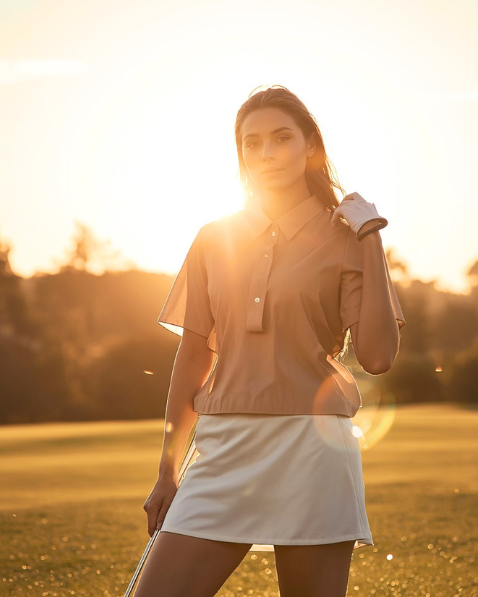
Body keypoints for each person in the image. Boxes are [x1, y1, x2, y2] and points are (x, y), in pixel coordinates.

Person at [135, 85, 406, 597]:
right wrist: (167, 472)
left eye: (282, 138)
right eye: (251, 143)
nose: (266, 154)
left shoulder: (347, 237)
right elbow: (192, 356)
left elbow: (377, 356)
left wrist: (370, 236)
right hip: (222, 447)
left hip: (314, 448)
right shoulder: (214, 238)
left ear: (310, 147)